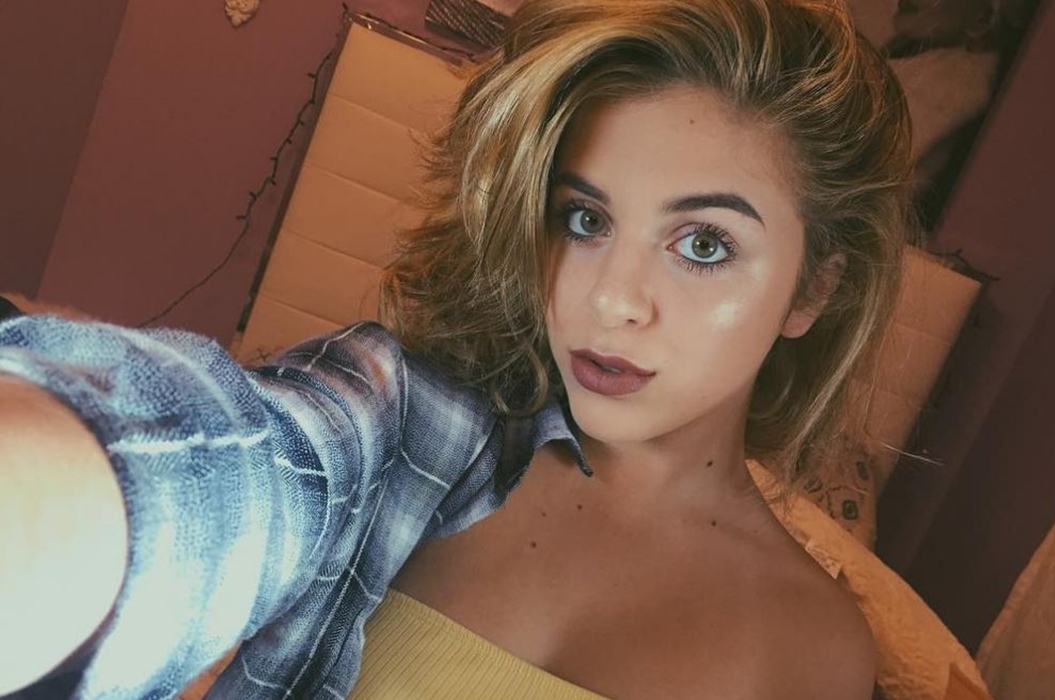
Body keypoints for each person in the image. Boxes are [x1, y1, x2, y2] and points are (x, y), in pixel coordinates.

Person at [0, 0, 913, 697]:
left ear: (814, 289)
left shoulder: (815, 649)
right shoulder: (411, 423)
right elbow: (234, 469)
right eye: (584, 219)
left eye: (704, 243)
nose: (610, 300)